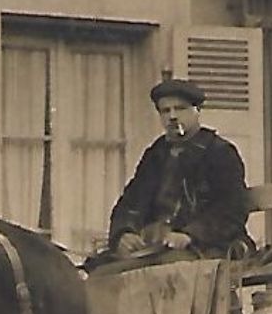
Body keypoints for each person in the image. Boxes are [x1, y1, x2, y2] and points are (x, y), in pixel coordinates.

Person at [104, 77, 253, 263]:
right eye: (165, 111)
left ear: (196, 111)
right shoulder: (156, 154)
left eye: (180, 108)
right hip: (157, 245)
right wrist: (124, 233)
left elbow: (232, 210)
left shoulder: (219, 152)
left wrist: (190, 234)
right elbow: (132, 201)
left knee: (167, 271)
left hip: (208, 245)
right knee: (100, 270)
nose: (172, 116)